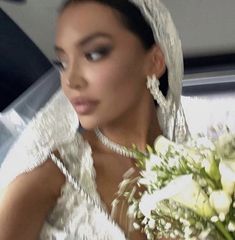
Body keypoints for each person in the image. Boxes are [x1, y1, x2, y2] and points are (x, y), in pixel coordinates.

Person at [0, 0, 189, 239]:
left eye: (94, 54)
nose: (71, 80)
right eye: (63, 62)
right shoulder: (49, 174)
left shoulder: (201, 174)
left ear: (155, 62)